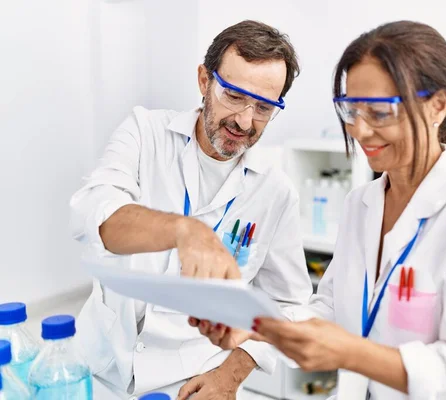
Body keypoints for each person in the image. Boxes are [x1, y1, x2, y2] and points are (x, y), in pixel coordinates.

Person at [198, 21, 446, 399]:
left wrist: (350, 351)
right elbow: (330, 307)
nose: (359, 129)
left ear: (437, 105)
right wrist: (256, 327)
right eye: (351, 110)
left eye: (378, 112)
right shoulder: (363, 204)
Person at [69, 20, 313, 399]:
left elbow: (290, 305)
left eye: (264, 107)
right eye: (233, 96)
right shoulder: (144, 132)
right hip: (99, 369)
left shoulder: (275, 191)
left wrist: (230, 375)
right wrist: (185, 230)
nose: (245, 121)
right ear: (204, 80)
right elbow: (93, 212)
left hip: (193, 381)